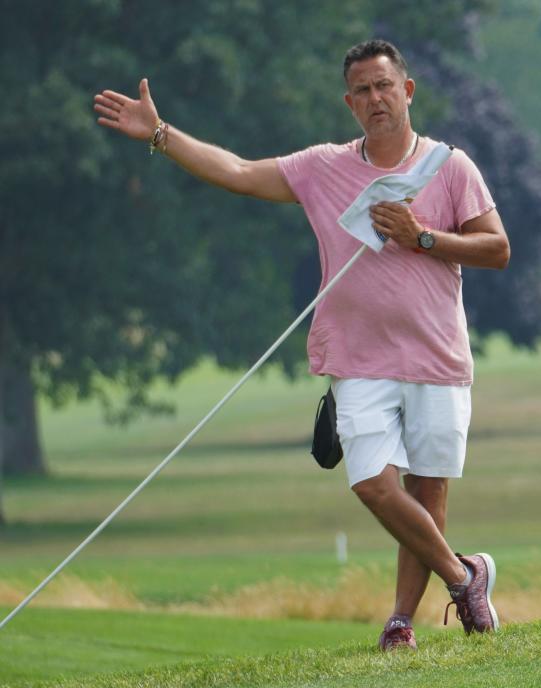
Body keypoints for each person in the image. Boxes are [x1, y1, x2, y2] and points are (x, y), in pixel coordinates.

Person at [94, 39, 510, 651]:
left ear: (408, 91)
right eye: (362, 91)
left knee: (428, 492)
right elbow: (236, 172)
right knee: (372, 483)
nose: (375, 99)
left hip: (436, 356)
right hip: (356, 356)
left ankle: (401, 623)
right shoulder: (324, 167)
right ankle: (463, 576)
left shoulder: (451, 167)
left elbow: (496, 249)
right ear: (349, 103)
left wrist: (422, 238)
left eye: (384, 86)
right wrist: (161, 134)